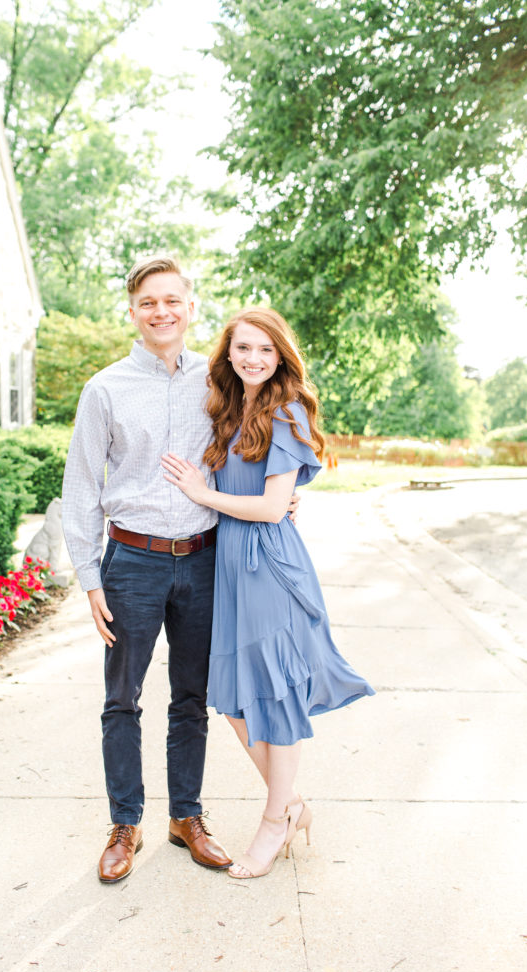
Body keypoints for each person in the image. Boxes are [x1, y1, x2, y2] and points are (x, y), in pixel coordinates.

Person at [161, 307, 375, 879]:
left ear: (281, 355)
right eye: (243, 348)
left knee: (275, 698)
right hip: (229, 565)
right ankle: (293, 805)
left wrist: (202, 495)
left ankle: (274, 821)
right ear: (228, 352)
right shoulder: (233, 405)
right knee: (229, 695)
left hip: (268, 567)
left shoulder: (286, 409)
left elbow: (273, 507)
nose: (253, 358)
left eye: (265, 350)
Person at [61, 255, 233, 883]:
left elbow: (256, 445)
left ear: (191, 307)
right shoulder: (105, 388)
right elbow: (80, 484)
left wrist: (288, 492)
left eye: (172, 300)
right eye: (147, 303)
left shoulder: (220, 382)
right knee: (121, 698)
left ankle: (185, 816)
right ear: (132, 312)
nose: (161, 312)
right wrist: (88, 576)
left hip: (203, 559)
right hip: (130, 561)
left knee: (193, 697)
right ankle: (125, 823)